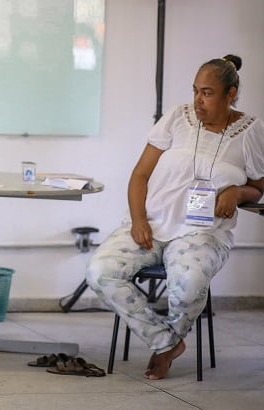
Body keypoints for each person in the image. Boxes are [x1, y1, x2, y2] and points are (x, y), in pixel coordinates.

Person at [87, 54, 264, 380]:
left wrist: (238, 193)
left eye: (207, 93)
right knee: (100, 272)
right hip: (152, 225)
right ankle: (166, 343)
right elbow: (139, 175)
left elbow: (259, 188)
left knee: (190, 282)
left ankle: (167, 344)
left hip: (204, 233)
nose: (198, 100)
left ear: (230, 93)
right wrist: (138, 220)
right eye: (195, 90)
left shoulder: (251, 131)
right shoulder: (177, 118)